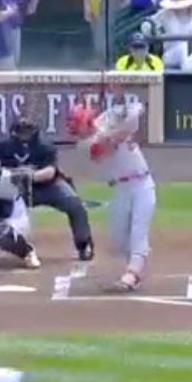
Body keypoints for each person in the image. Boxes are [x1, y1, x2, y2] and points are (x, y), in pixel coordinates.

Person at [67, 95, 155, 292]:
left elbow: (134, 115)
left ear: (86, 121)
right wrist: (115, 129)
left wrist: (127, 110)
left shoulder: (106, 120)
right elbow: (114, 141)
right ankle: (135, 262)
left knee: (138, 232)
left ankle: (133, 273)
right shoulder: (85, 145)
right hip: (120, 189)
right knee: (118, 240)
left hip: (142, 184)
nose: (75, 131)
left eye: (76, 125)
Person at [0, 116, 95, 261]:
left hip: (48, 186)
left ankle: (84, 244)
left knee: (75, 205)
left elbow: (50, 172)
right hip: (18, 189)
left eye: (27, 132)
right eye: (20, 132)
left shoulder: (45, 147)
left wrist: (29, 176)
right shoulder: (3, 148)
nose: (23, 136)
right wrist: (11, 179)